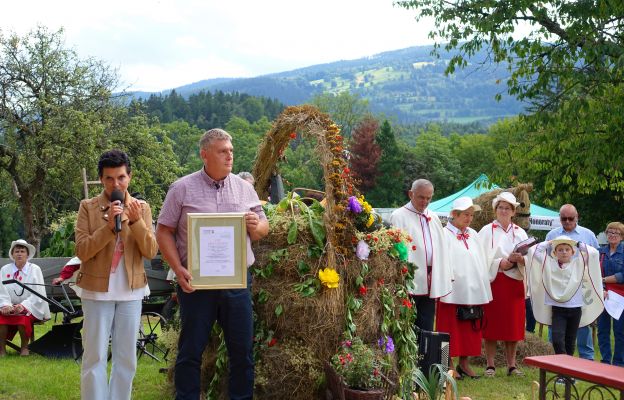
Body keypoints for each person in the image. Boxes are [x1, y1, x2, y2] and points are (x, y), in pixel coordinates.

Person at [156, 128, 269, 400]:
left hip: (237, 281)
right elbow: (163, 231)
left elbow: (263, 226)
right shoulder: (181, 188)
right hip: (194, 282)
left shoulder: (245, 188)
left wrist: (256, 225)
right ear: (204, 154)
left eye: (231, 150)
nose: (229, 155)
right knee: (191, 351)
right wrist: (178, 269)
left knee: (242, 351)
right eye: (222, 151)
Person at [75, 149, 158, 400]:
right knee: (95, 356)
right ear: (101, 179)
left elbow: (151, 251)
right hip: (95, 290)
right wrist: (109, 227)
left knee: (126, 357)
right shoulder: (88, 207)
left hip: (131, 290)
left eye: (121, 177)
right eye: (109, 178)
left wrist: (136, 223)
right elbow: (82, 251)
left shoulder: (141, 208)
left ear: (129, 177)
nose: (115, 184)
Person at [437, 196, 492, 379]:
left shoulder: (473, 235)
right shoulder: (444, 234)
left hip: (472, 290)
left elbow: (481, 261)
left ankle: (464, 363)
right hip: (451, 290)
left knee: (471, 326)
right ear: (454, 214)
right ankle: (447, 363)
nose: (469, 218)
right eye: (465, 215)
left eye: (471, 215)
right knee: (447, 327)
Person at [389, 179, 452, 332]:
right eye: (421, 197)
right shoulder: (399, 216)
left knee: (427, 324)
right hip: (409, 279)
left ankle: (425, 355)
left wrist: (442, 273)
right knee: (408, 325)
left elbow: (441, 247)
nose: (425, 201)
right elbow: (396, 250)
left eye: (428, 198)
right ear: (411, 194)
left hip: (430, 279)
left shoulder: (433, 216)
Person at [526, 236, 603, 358]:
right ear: (555, 253)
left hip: (575, 308)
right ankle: (562, 367)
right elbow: (533, 251)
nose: (564, 252)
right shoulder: (549, 264)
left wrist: (577, 243)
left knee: (570, 342)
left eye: (567, 249)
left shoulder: (579, 263)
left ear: (573, 252)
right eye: (560, 249)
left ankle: (567, 374)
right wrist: (550, 242)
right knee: (557, 339)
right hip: (558, 309)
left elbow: (593, 253)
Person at [478, 192, 528, 377]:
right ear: (495, 210)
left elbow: (529, 257)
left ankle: (512, 365)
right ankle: (490, 364)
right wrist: (499, 262)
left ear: (513, 211)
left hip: (514, 281)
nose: (504, 211)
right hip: (495, 281)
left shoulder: (520, 232)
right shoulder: (486, 231)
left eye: (507, 208)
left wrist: (520, 259)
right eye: (500, 207)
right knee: (491, 323)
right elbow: (480, 257)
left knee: (513, 324)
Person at [545, 204, 599, 360]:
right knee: (557, 335)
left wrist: (599, 286)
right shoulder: (552, 235)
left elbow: (595, 259)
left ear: (577, 217)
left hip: (581, 291)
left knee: (582, 331)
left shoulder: (588, 235)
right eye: (563, 218)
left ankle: (586, 362)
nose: (567, 221)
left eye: (571, 218)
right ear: (559, 218)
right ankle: (560, 364)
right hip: (558, 293)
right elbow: (545, 261)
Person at [0, 239, 51, 356]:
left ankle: (25, 347)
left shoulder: (35, 269)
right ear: (12, 254)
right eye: (16, 251)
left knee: (23, 318)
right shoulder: (5, 270)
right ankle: (2, 349)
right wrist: (5, 305)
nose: (19, 254)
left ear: (27, 254)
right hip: (9, 306)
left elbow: (38, 293)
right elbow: (1, 291)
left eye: (22, 251)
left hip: (30, 307)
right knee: (1, 318)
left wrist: (23, 306)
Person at [597, 222, 624, 366]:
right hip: (604, 295)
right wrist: (601, 286)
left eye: (616, 233)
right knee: (602, 330)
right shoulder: (600, 252)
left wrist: (604, 279)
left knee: (620, 332)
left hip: (621, 298)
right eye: (610, 232)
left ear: (621, 236)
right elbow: (593, 272)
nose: (613, 235)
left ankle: (619, 363)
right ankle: (605, 361)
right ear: (606, 234)